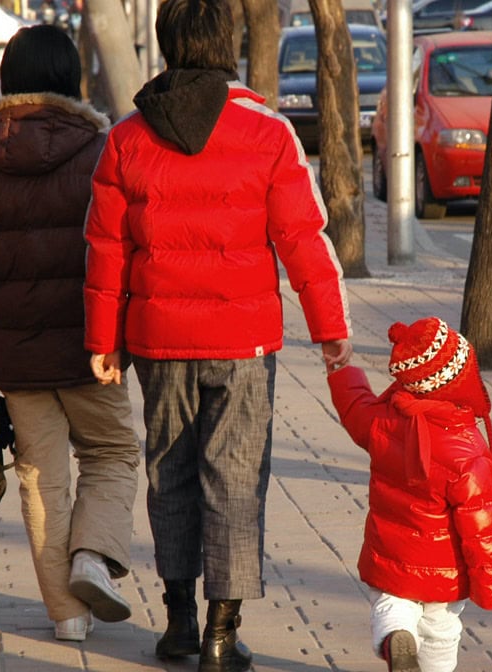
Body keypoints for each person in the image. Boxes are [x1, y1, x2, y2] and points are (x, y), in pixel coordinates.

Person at [82, 0, 353, 669]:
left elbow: (105, 248)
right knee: (233, 480)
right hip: (244, 343)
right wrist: (332, 329)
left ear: (168, 43)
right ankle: (219, 637)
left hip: (156, 338)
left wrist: (102, 340)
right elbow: (302, 237)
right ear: (226, 42)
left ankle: (175, 622)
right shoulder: (268, 130)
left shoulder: (127, 136)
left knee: (167, 471)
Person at [0, 24, 142, 644]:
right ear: (71, 81)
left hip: (17, 362)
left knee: (39, 476)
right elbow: (129, 254)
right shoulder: (104, 154)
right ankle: (91, 557)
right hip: (92, 353)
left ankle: (67, 616)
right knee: (111, 454)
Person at [326, 317, 492, 672]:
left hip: (391, 553)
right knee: (441, 629)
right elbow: (483, 529)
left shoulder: (387, 417)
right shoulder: (468, 450)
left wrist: (341, 369)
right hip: (446, 569)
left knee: (392, 604)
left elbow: (355, 409)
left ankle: (397, 633)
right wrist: (490, 586)